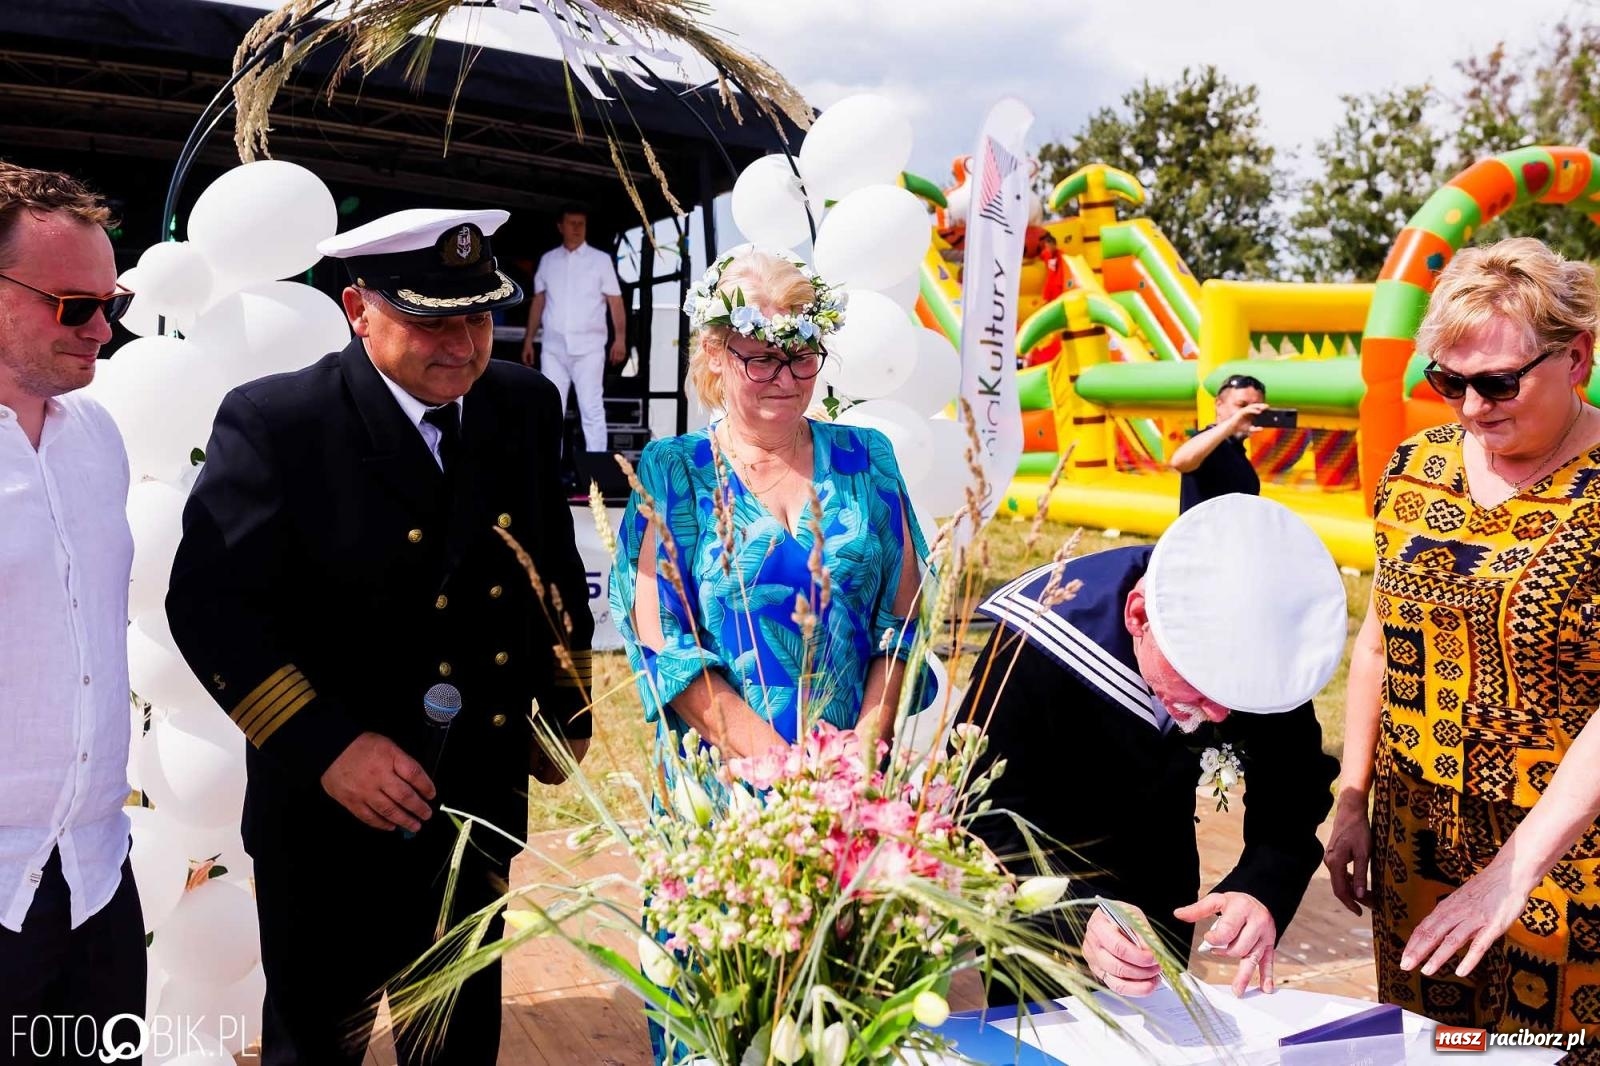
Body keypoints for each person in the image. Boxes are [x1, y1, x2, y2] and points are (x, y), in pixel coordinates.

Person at [166, 208, 594, 1066]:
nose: (462, 344)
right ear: (358, 307)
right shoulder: (279, 422)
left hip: (474, 798)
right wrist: (328, 747)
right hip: (329, 815)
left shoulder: (522, 404)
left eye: (478, 316)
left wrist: (565, 711)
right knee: (321, 1043)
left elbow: (549, 569)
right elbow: (210, 604)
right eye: (431, 319)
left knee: (458, 1045)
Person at [1323, 237, 1600, 1043]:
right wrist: (1352, 797)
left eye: (1499, 382)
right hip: (1415, 849)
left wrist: (1517, 870)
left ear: (1578, 357)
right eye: (1449, 383)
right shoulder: (1415, 465)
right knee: (1427, 1049)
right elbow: (1380, 635)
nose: (1474, 408)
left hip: (1565, 867)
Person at [963, 494, 1345, 1001]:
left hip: (1163, 887)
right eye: (1202, 689)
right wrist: (1073, 916)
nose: (1219, 716)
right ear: (1138, 615)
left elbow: (1294, 784)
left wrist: (1262, 886)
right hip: (1037, 897)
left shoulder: (1255, 643)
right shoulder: (1035, 641)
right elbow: (981, 813)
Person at [611, 246, 924, 762]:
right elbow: (664, 642)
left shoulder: (868, 459)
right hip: (727, 789)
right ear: (715, 352)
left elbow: (901, 623)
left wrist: (862, 753)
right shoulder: (676, 471)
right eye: (761, 359)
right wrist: (780, 771)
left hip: (850, 778)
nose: (785, 379)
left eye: (801, 357)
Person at [0, 163, 142, 1065]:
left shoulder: (100, 436)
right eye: (72, 305)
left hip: (95, 874)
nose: (102, 329)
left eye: (111, 302)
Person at [521, 204, 626, 460]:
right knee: (551, 409)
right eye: (572, 223)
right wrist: (528, 340)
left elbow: (615, 301)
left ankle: (597, 477)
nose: (577, 228)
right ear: (561, 227)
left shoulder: (601, 260)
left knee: (591, 409)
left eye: (582, 223)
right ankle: (548, 474)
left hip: (590, 348)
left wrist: (620, 338)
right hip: (554, 347)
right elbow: (538, 301)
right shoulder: (548, 260)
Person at [1170, 372, 1268, 513]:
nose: (1248, 413)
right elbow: (1180, 462)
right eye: (1242, 405)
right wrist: (1232, 424)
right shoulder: (1209, 444)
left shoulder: (1236, 451)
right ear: (1219, 405)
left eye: (1256, 407)